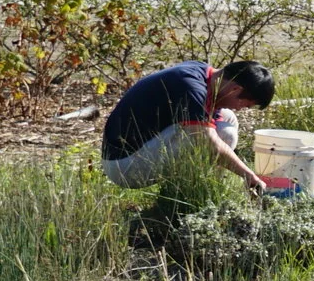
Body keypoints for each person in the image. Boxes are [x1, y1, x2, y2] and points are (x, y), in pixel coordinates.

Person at [99, 58, 277, 194]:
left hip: (141, 150)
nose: (240, 109)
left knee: (227, 118)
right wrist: (249, 176)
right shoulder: (190, 87)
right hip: (125, 167)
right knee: (220, 134)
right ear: (235, 90)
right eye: (245, 104)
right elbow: (209, 143)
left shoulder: (204, 74)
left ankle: (199, 189)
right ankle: (194, 193)